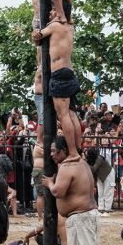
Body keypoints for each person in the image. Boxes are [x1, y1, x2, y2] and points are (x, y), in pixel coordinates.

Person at [48, 133, 101, 245]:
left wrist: (49, 183)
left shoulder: (67, 166)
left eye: (54, 151)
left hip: (81, 216)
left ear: (64, 151)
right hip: (86, 214)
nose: (52, 155)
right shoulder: (81, 163)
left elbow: (58, 191)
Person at [32, 14, 81, 150]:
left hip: (59, 74)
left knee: (63, 115)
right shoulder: (70, 26)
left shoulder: (53, 26)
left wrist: (36, 30)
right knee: (71, 114)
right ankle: (78, 147)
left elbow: (36, 38)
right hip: (69, 72)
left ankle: (73, 151)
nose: (50, 13)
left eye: (53, 10)